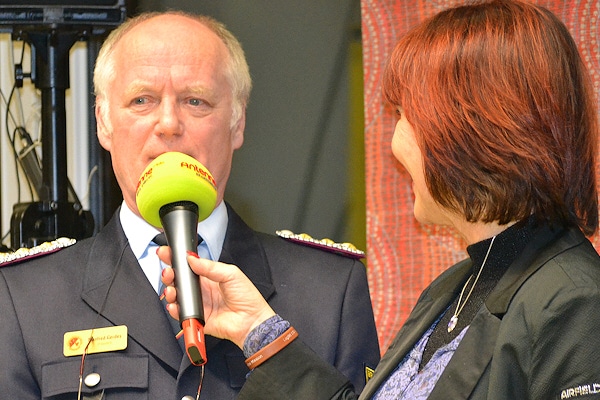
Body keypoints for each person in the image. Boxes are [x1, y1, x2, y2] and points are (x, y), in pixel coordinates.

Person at [160, 0, 600, 398]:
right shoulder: (454, 289)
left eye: (406, 115)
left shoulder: (577, 304)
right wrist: (256, 329)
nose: (393, 144)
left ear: (473, 129)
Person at [0, 11, 380, 399]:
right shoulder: (23, 299)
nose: (168, 123)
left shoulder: (329, 291)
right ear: (102, 122)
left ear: (237, 123)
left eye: (195, 101)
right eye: (141, 100)